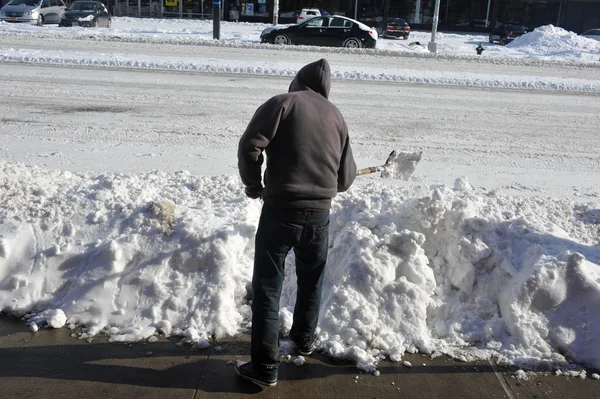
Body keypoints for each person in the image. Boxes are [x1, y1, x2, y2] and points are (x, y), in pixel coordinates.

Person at [235, 58, 356, 387]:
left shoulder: (282, 104)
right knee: (311, 281)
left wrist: (253, 184)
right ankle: (303, 340)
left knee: (268, 287)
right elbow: (345, 180)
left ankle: (264, 368)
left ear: (298, 81)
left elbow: (251, 146)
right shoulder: (336, 117)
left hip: (280, 212)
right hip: (319, 216)